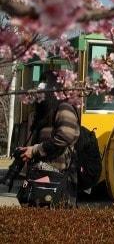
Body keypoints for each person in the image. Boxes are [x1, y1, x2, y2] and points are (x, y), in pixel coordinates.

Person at [18, 70, 80, 206]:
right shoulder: (46, 113)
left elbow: (65, 136)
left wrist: (35, 150)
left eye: (45, 83)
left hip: (58, 177)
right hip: (42, 174)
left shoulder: (64, 108)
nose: (40, 87)